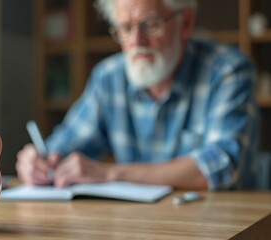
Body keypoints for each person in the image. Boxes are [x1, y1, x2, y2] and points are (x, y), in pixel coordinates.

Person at [16, 0, 259, 190]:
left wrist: (110, 174)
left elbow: (223, 166)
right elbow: (62, 149)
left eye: (150, 24)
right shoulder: (109, 77)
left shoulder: (227, 71)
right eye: (125, 27)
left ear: (185, 23)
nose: (136, 41)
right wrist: (39, 163)